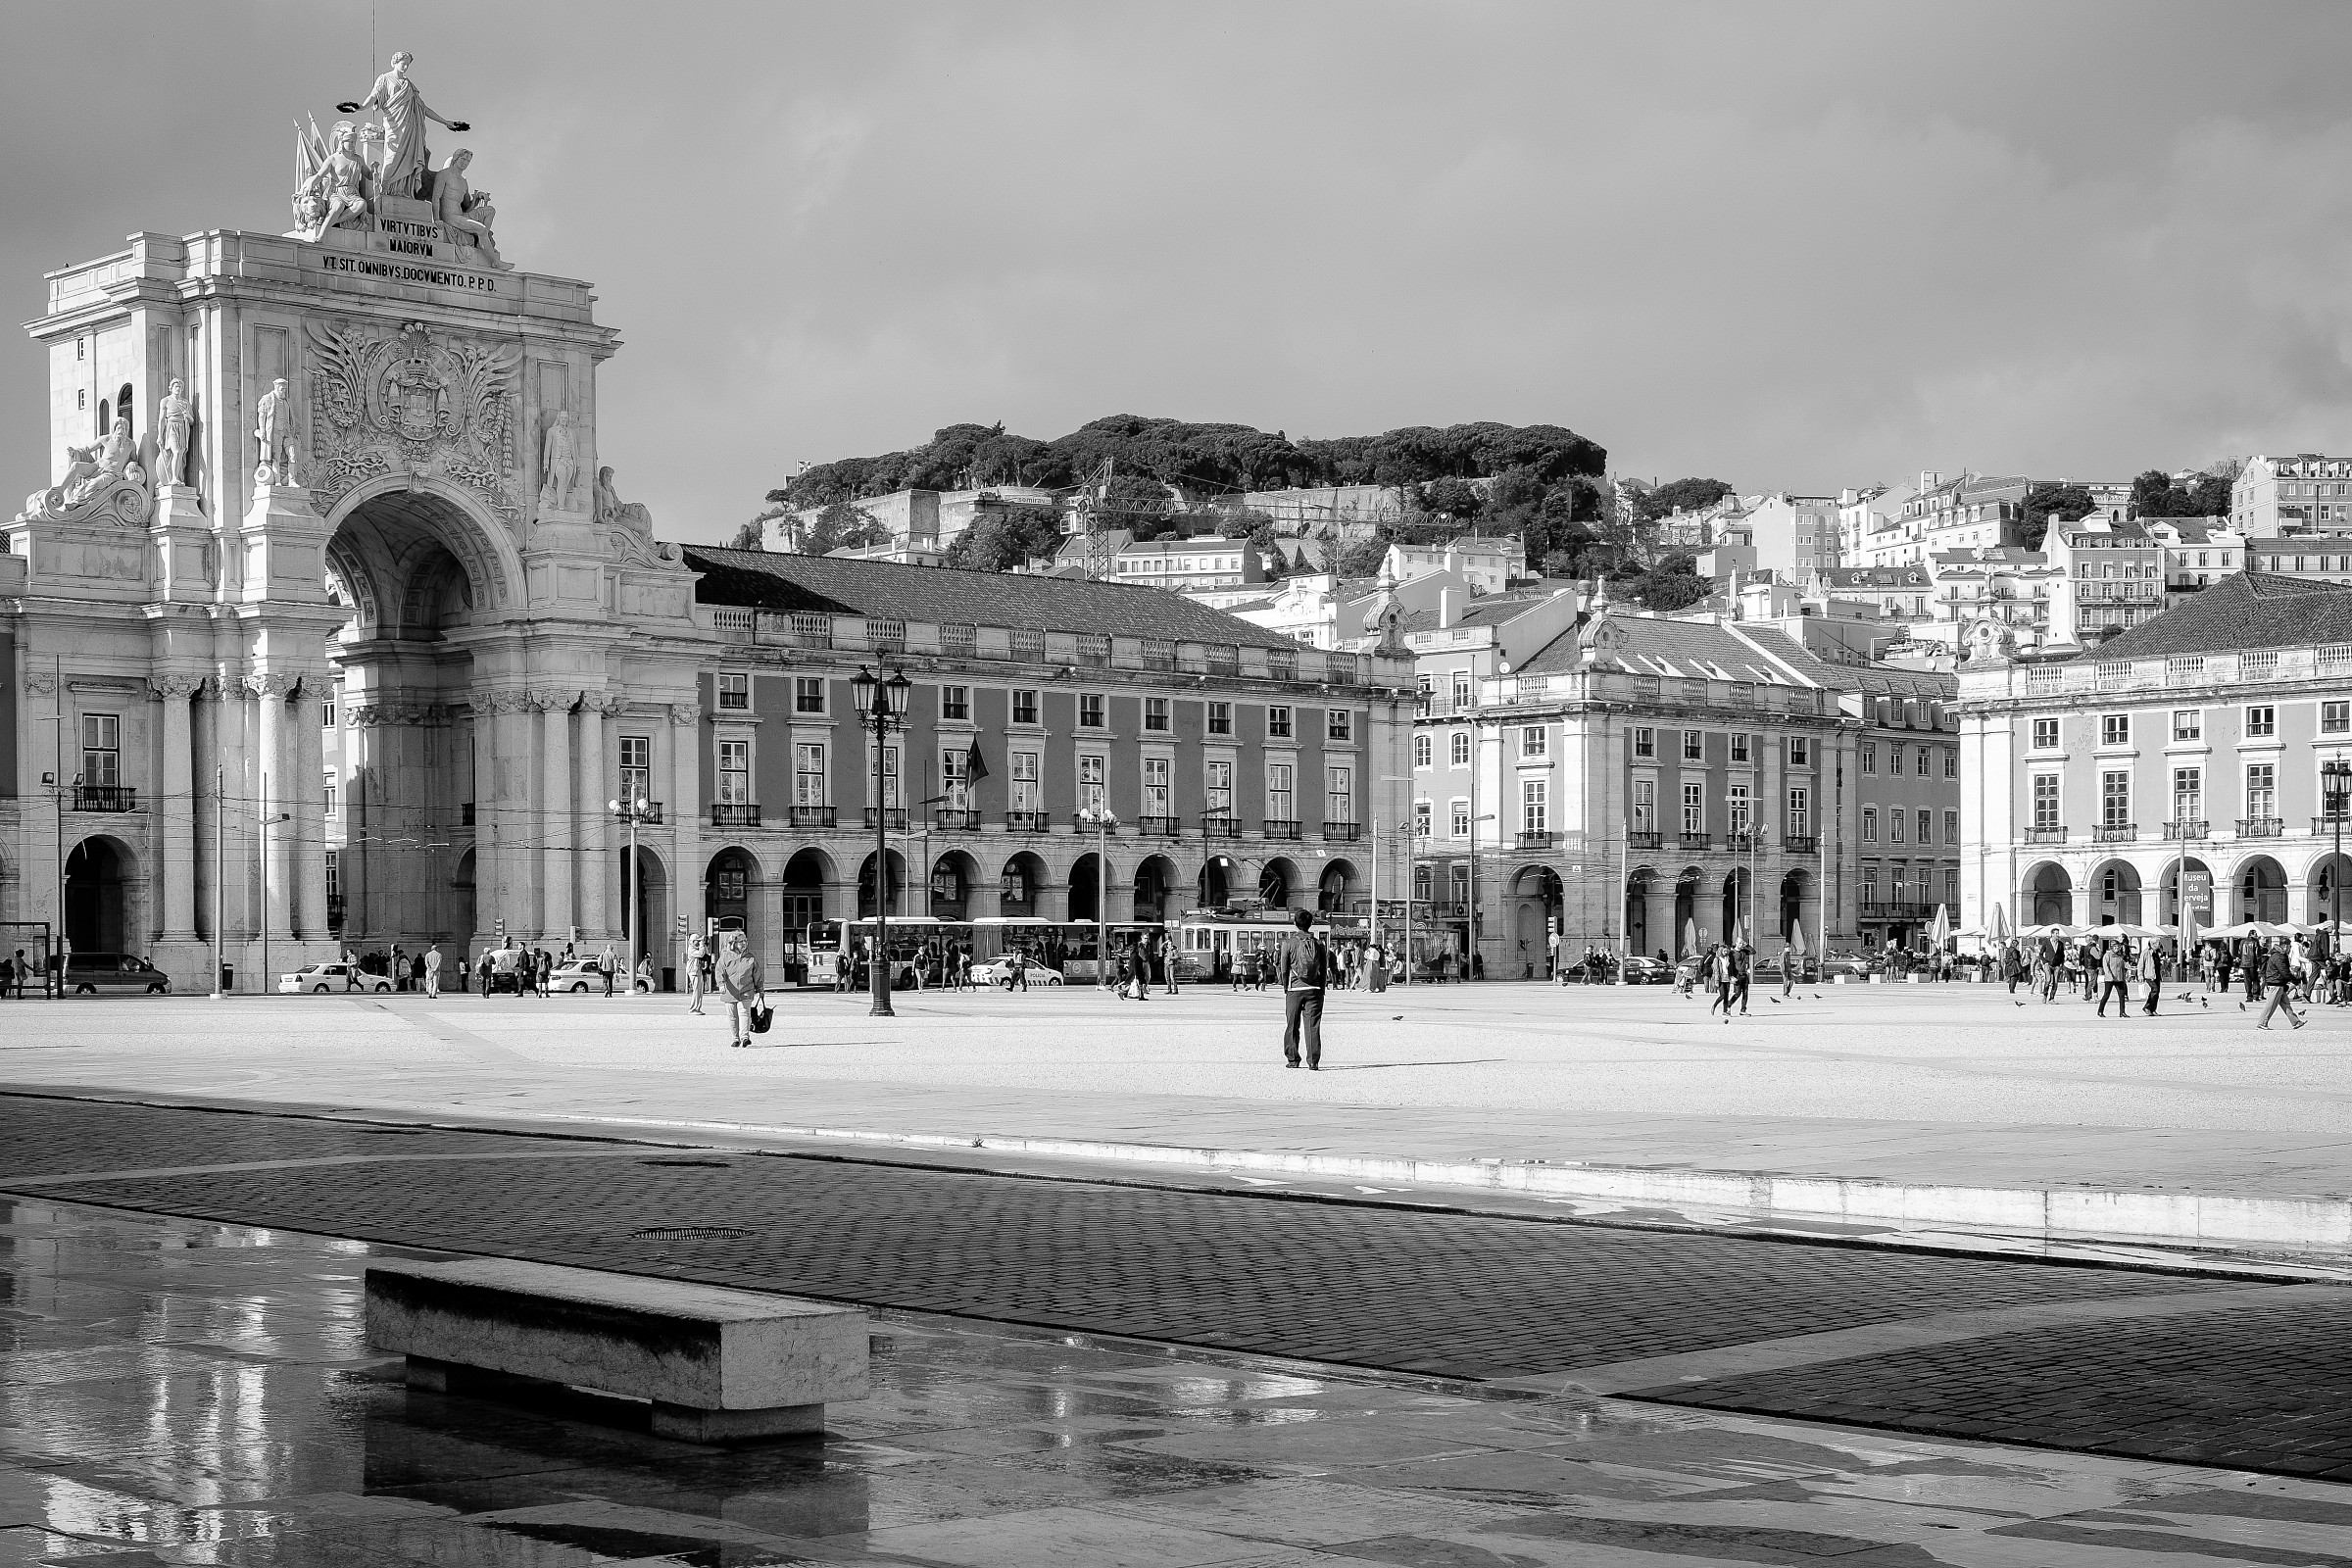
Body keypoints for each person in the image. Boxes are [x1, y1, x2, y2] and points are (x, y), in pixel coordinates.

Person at [1275, 908, 1328, 1071]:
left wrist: (1285, 986)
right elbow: (1324, 968)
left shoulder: (1288, 943)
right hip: (1315, 989)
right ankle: (1313, 1062)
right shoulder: (1319, 943)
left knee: (1292, 1024)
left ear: (1294, 924)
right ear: (1311, 924)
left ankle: (1293, 1059)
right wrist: (1321, 988)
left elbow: (1284, 969)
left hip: (1295, 989)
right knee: (1313, 1026)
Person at [714, 930, 764, 1049]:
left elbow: (757, 974)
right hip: (729, 991)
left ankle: (745, 1037)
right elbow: (719, 971)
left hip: (746, 990)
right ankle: (735, 1038)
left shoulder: (750, 958)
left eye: (745, 941)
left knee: (745, 1013)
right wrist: (721, 984)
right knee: (732, 1016)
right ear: (733, 943)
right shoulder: (725, 957)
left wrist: (760, 988)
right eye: (740, 941)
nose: (744, 944)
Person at [2256, 938, 2306, 1030]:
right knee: (2271, 1005)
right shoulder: (2279, 956)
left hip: (2279, 983)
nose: (2290, 948)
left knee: (2286, 1004)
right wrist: (2294, 980)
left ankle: (2296, 1022)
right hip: (2275, 984)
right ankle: (2262, 1023)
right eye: (2289, 946)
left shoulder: (2277, 955)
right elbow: (2284, 971)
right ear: (2285, 946)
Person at [2094, 943, 2130, 1017]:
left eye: (2118, 946)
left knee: (2122, 995)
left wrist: (2123, 976)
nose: (2117, 948)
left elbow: (2122, 967)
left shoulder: (2120, 956)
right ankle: (2100, 1011)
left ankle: (2122, 1012)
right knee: (2106, 995)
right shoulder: (2107, 955)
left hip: (2119, 978)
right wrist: (2109, 976)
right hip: (2110, 979)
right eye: (2115, 946)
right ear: (2112, 947)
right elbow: (2106, 967)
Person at [2138, 938, 2162, 1016]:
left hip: (2156, 974)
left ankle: (2153, 1009)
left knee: (2157, 992)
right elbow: (2141, 964)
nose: (2159, 944)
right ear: (2153, 944)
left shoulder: (2157, 952)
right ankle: (2147, 1007)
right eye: (2158, 943)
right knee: (2155, 989)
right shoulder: (2146, 952)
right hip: (2149, 974)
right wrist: (2140, 975)